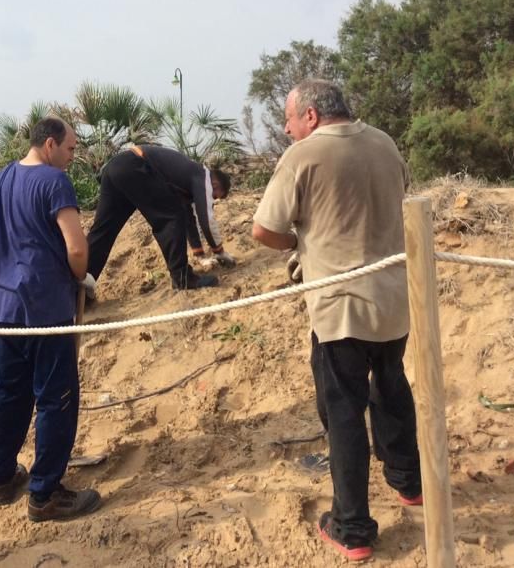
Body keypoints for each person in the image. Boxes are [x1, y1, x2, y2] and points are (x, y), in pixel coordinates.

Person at [251, 80, 421, 562]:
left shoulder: (303, 156)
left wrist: (301, 245)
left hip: (339, 306)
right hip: (391, 296)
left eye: (288, 119)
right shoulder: (385, 142)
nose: (285, 129)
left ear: (310, 115)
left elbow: (264, 229)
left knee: (343, 412)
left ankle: (353, 528)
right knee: (390, 385)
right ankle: (409, 483)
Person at [0, 117, 101, 522]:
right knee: (55, 398)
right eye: (70, 148)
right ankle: (44, 493)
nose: (72, 156)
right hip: (47, 309)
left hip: (8, 308)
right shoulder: (54, 181)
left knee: (9, 393)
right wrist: (81, 277)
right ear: (50, 144)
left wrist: (1, 276)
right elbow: (76, 247)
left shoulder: (3, 177)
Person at [85, 145, 234, 293]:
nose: (211, 199)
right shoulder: (203, 177)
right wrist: (219, 251)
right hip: (136, 166)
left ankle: (78, 289)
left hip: (116, 166)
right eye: (215, 196)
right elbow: (206, 219)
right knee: (171, 218)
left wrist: (199, 254)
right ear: (214, 184)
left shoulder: (184, 177)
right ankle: (182, 278)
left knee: (103, 231)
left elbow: (188, 218)